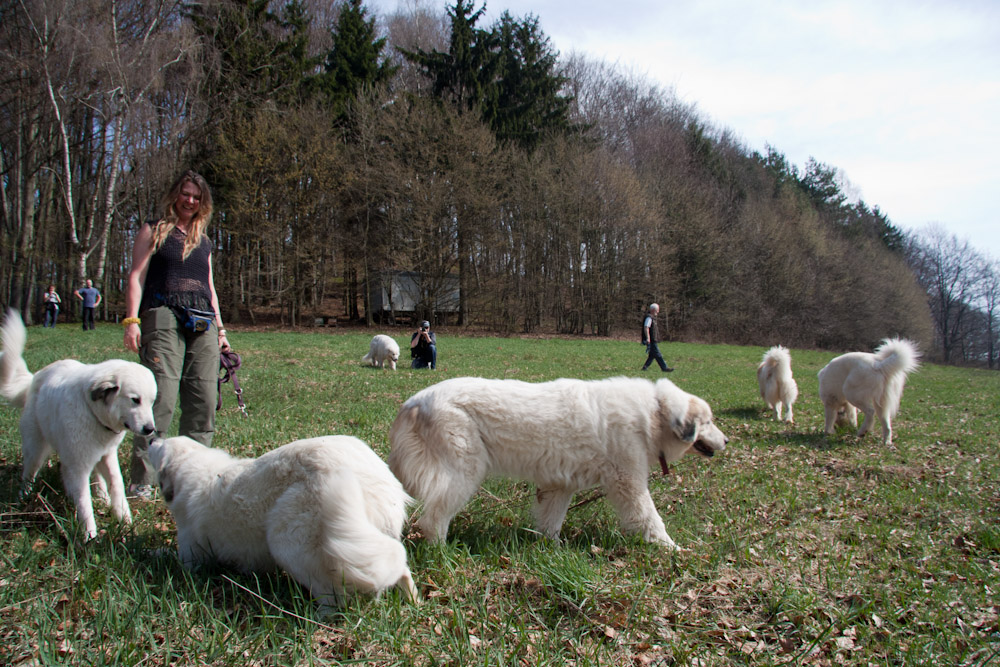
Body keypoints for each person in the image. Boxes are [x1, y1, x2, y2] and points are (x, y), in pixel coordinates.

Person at [122, 170, 230, 499]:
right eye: (185, 194)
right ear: (175, 195)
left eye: (197, 197)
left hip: (203, 321)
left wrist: (222, 330)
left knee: (203, 401)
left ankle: (192, 479)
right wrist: (132, 321)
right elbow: (136, 276)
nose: (190, 200)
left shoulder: (204, 240)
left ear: (203, 203)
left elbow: (209, 287)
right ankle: (143, 481)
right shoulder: (153, 230)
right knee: (162, 400)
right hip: (163, 313)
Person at [641, 303, 673, 372]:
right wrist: (648, 338)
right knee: (658, 354)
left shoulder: (652, 318)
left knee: (652, 355)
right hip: (651, 340)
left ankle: (645, 367)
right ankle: (664, 368)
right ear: (653, 310)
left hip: (653, 339)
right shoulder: (649, 318)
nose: (658, 312)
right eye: (657, 310)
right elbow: (646, 327)